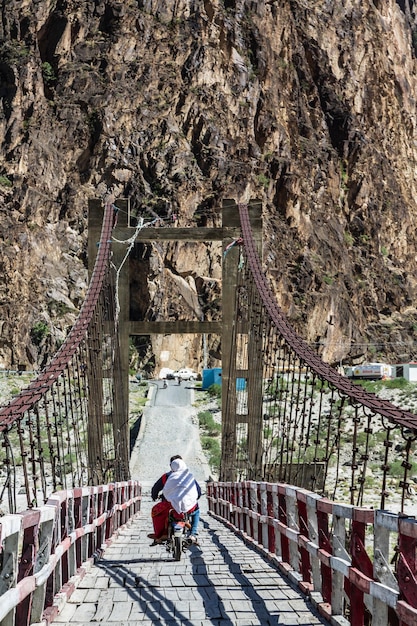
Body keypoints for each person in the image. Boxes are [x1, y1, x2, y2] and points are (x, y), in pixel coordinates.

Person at [149, 455, 201, 545]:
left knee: (156, 511)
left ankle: (161, 534)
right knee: (196, 510)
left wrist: (154, 496)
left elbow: (156, 488)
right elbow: (198, 491)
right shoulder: (189, 476)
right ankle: (193, 533)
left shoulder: (166, 477)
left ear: (171, 466)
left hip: (169, 506)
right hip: (187, 507)